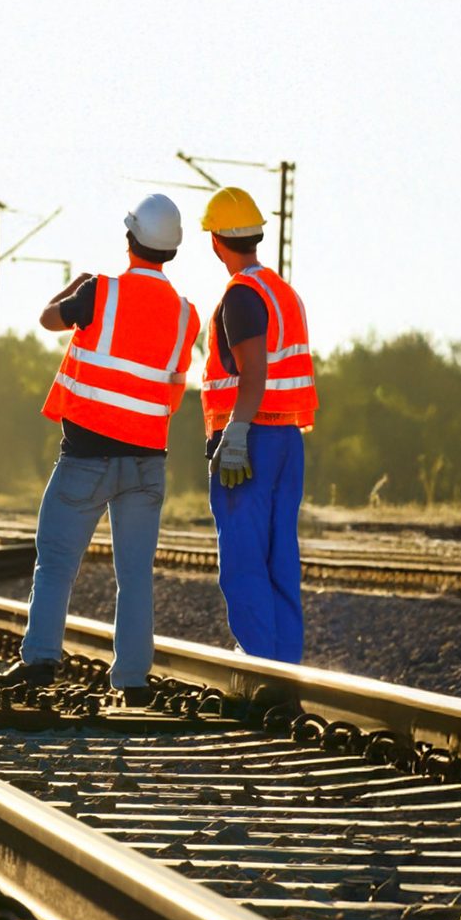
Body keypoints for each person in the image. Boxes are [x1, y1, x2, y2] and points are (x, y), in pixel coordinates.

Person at [0, 193, 200, 705]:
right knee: (135, 574)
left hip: (86, 458)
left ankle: (40, 659)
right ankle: (131, 680)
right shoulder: (185, 316)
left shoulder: (98, 293)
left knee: (57, 561)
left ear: (129, 239)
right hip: (147, 462)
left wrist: (75, 284)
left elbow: (47, 320)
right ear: (171, 251)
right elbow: (173, 386)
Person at [198, 186, 319, 663]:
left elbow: (253, 375)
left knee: (245, 563)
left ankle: (260, 671)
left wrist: (235, 436)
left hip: (250, 443)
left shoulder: (242, 297)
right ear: (257, 236)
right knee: (279, 561)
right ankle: (283, 669)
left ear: (215, 241)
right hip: (286, 439)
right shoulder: (281, 291)